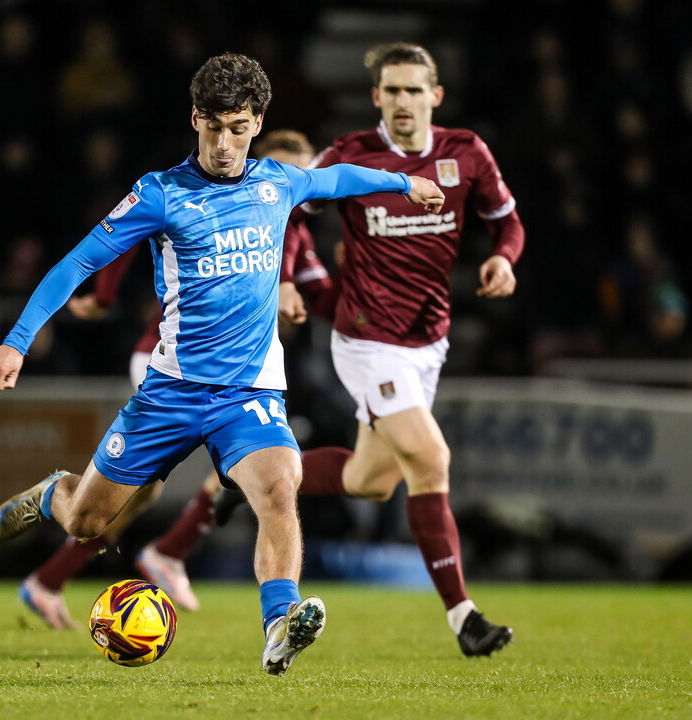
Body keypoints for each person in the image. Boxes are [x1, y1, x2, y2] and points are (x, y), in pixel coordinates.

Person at [0, 52, 445, 676]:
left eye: (238, 128)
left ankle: (279, 623)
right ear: (195, 118)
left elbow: (337, 180)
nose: (224, 144)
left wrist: (402, 183)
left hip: (247, 392)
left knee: (281, 488)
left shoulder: (279, 181)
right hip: (169, 391)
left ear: (257, 124)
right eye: (214, 127)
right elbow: (78, 264)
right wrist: (17, 339)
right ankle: (51, 495)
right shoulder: (160, 193)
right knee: (90, 523)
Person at [223, 42, 524, 658]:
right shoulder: (354, 155)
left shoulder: (465, 152)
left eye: (415, 90)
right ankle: (464, 618)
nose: (404, 101)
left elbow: (508, 221)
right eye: (392, 91)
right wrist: (282, 277)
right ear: (376, 97)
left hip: (428, 341)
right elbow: (284, 211)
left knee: (370, 479)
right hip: (365, 339)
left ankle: (264, 474)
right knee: (431, 459)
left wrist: (503, 257)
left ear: (435, 96)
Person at [18, 129, 334, 624]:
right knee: (120, 501)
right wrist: (102, 298)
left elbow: (324, 292)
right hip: (166, 364)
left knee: (266, 480)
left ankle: (268, 610)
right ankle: (146, 545)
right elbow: (115, 241)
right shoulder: (188, 195)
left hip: (241, 381)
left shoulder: (292, 227)